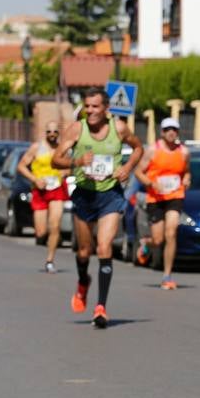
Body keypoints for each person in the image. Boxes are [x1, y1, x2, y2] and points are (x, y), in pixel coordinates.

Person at [53, 89, 143, 328]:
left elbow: (138, 149)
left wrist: (127, 169)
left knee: (104, 247)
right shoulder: (77, 129)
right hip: (84, 195)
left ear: (106, 109)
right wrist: (77, 162)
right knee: (84, 251)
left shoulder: (119, 128)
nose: (90, 111)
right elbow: (55, 159)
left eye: (95, 107)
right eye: (87, 107)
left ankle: (101, 307)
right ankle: (83, 282)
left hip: (110, 195)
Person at [134, 118, 191, 290]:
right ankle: (146, 243)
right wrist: (151, 183)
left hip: (175, 195)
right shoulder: (152, 150)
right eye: (168, 130)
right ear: (162, 132)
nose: (171, 132)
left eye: (174, 129)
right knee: (158, 240)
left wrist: (187, 180)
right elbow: (138, 172)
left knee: (171, 232)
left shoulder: (184, 152)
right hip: (156, 198)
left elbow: (187, 172)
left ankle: (167, 275)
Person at [17, 121, 70, 273]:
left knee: (55, 225)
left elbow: (71, 166)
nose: (52, 134)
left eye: (55, 132)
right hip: (39, 191)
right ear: (45, 133)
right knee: (41, 232)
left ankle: (50, 260)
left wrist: (65, 172)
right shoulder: (36, 148)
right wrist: (35, 179)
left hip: (57, 189)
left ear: (58, 134)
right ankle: (51, 237)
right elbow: (21, 166)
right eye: (49, 132)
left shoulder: (62, 149)